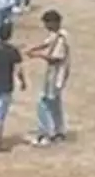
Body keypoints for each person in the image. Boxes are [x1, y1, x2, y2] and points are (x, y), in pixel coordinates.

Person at [0, 22, 27, 152]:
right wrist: (23, 82)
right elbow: (18, 69)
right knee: (0, 114)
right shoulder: (12, 51)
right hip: (5, 84)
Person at [28, 10, 71, 145]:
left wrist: (37, 55)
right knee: (55, 104)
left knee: (44, 103)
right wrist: (33, 49)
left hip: (56, 76)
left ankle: (45, 133)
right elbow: (47, 43)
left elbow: (55, 59)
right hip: (54, 75)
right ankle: (58, 131)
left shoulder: (61, 39)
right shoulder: (58, 35)